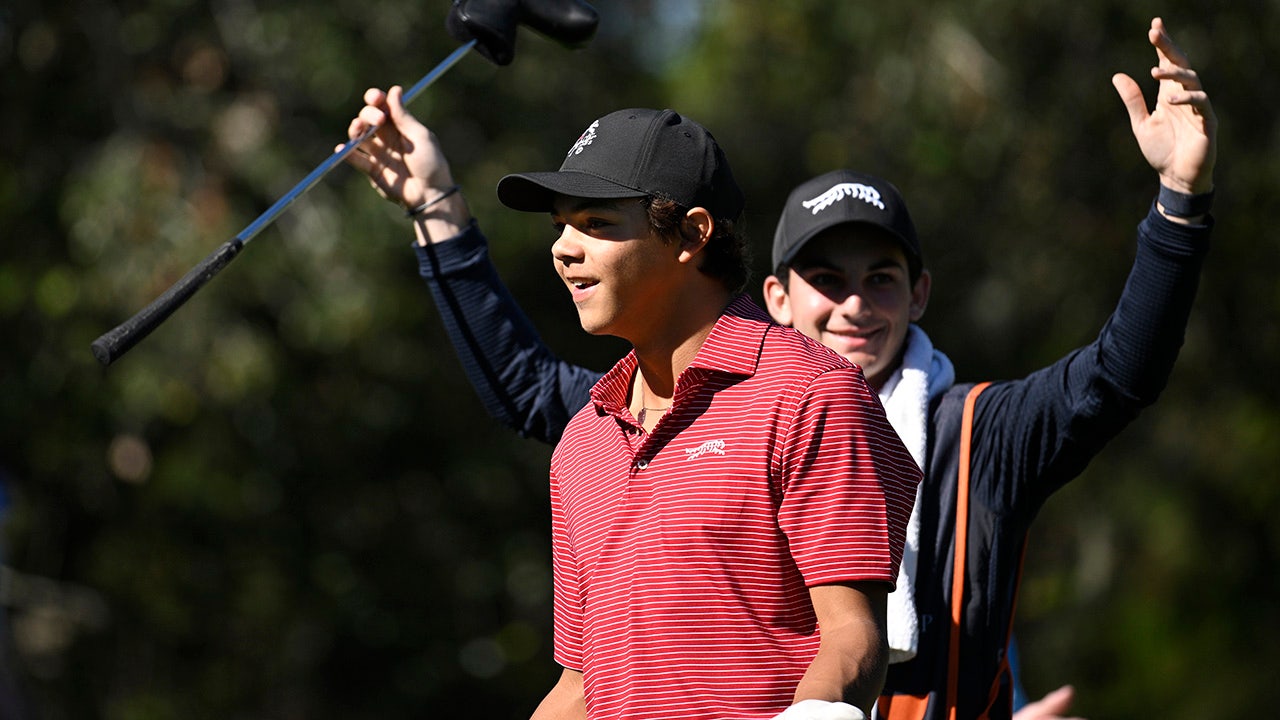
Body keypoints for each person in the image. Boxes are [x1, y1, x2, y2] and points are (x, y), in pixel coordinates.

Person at [343, 16, 1214, 719]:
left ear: (921, 296)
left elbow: (1116, 378)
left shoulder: (971, 431)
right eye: (825, 280)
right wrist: (434, 208)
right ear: (776, 295)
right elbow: (531, 393)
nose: (853, 306)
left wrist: (1179, 203)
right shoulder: (616, 424)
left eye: (882, 280)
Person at [345, 103, 924, 719]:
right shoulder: (584, 440)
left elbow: (851, 636)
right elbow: (578, 686)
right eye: (560, 225)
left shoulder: (811, 392)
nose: (564, 250)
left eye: (596, 222)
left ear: (692, 234)